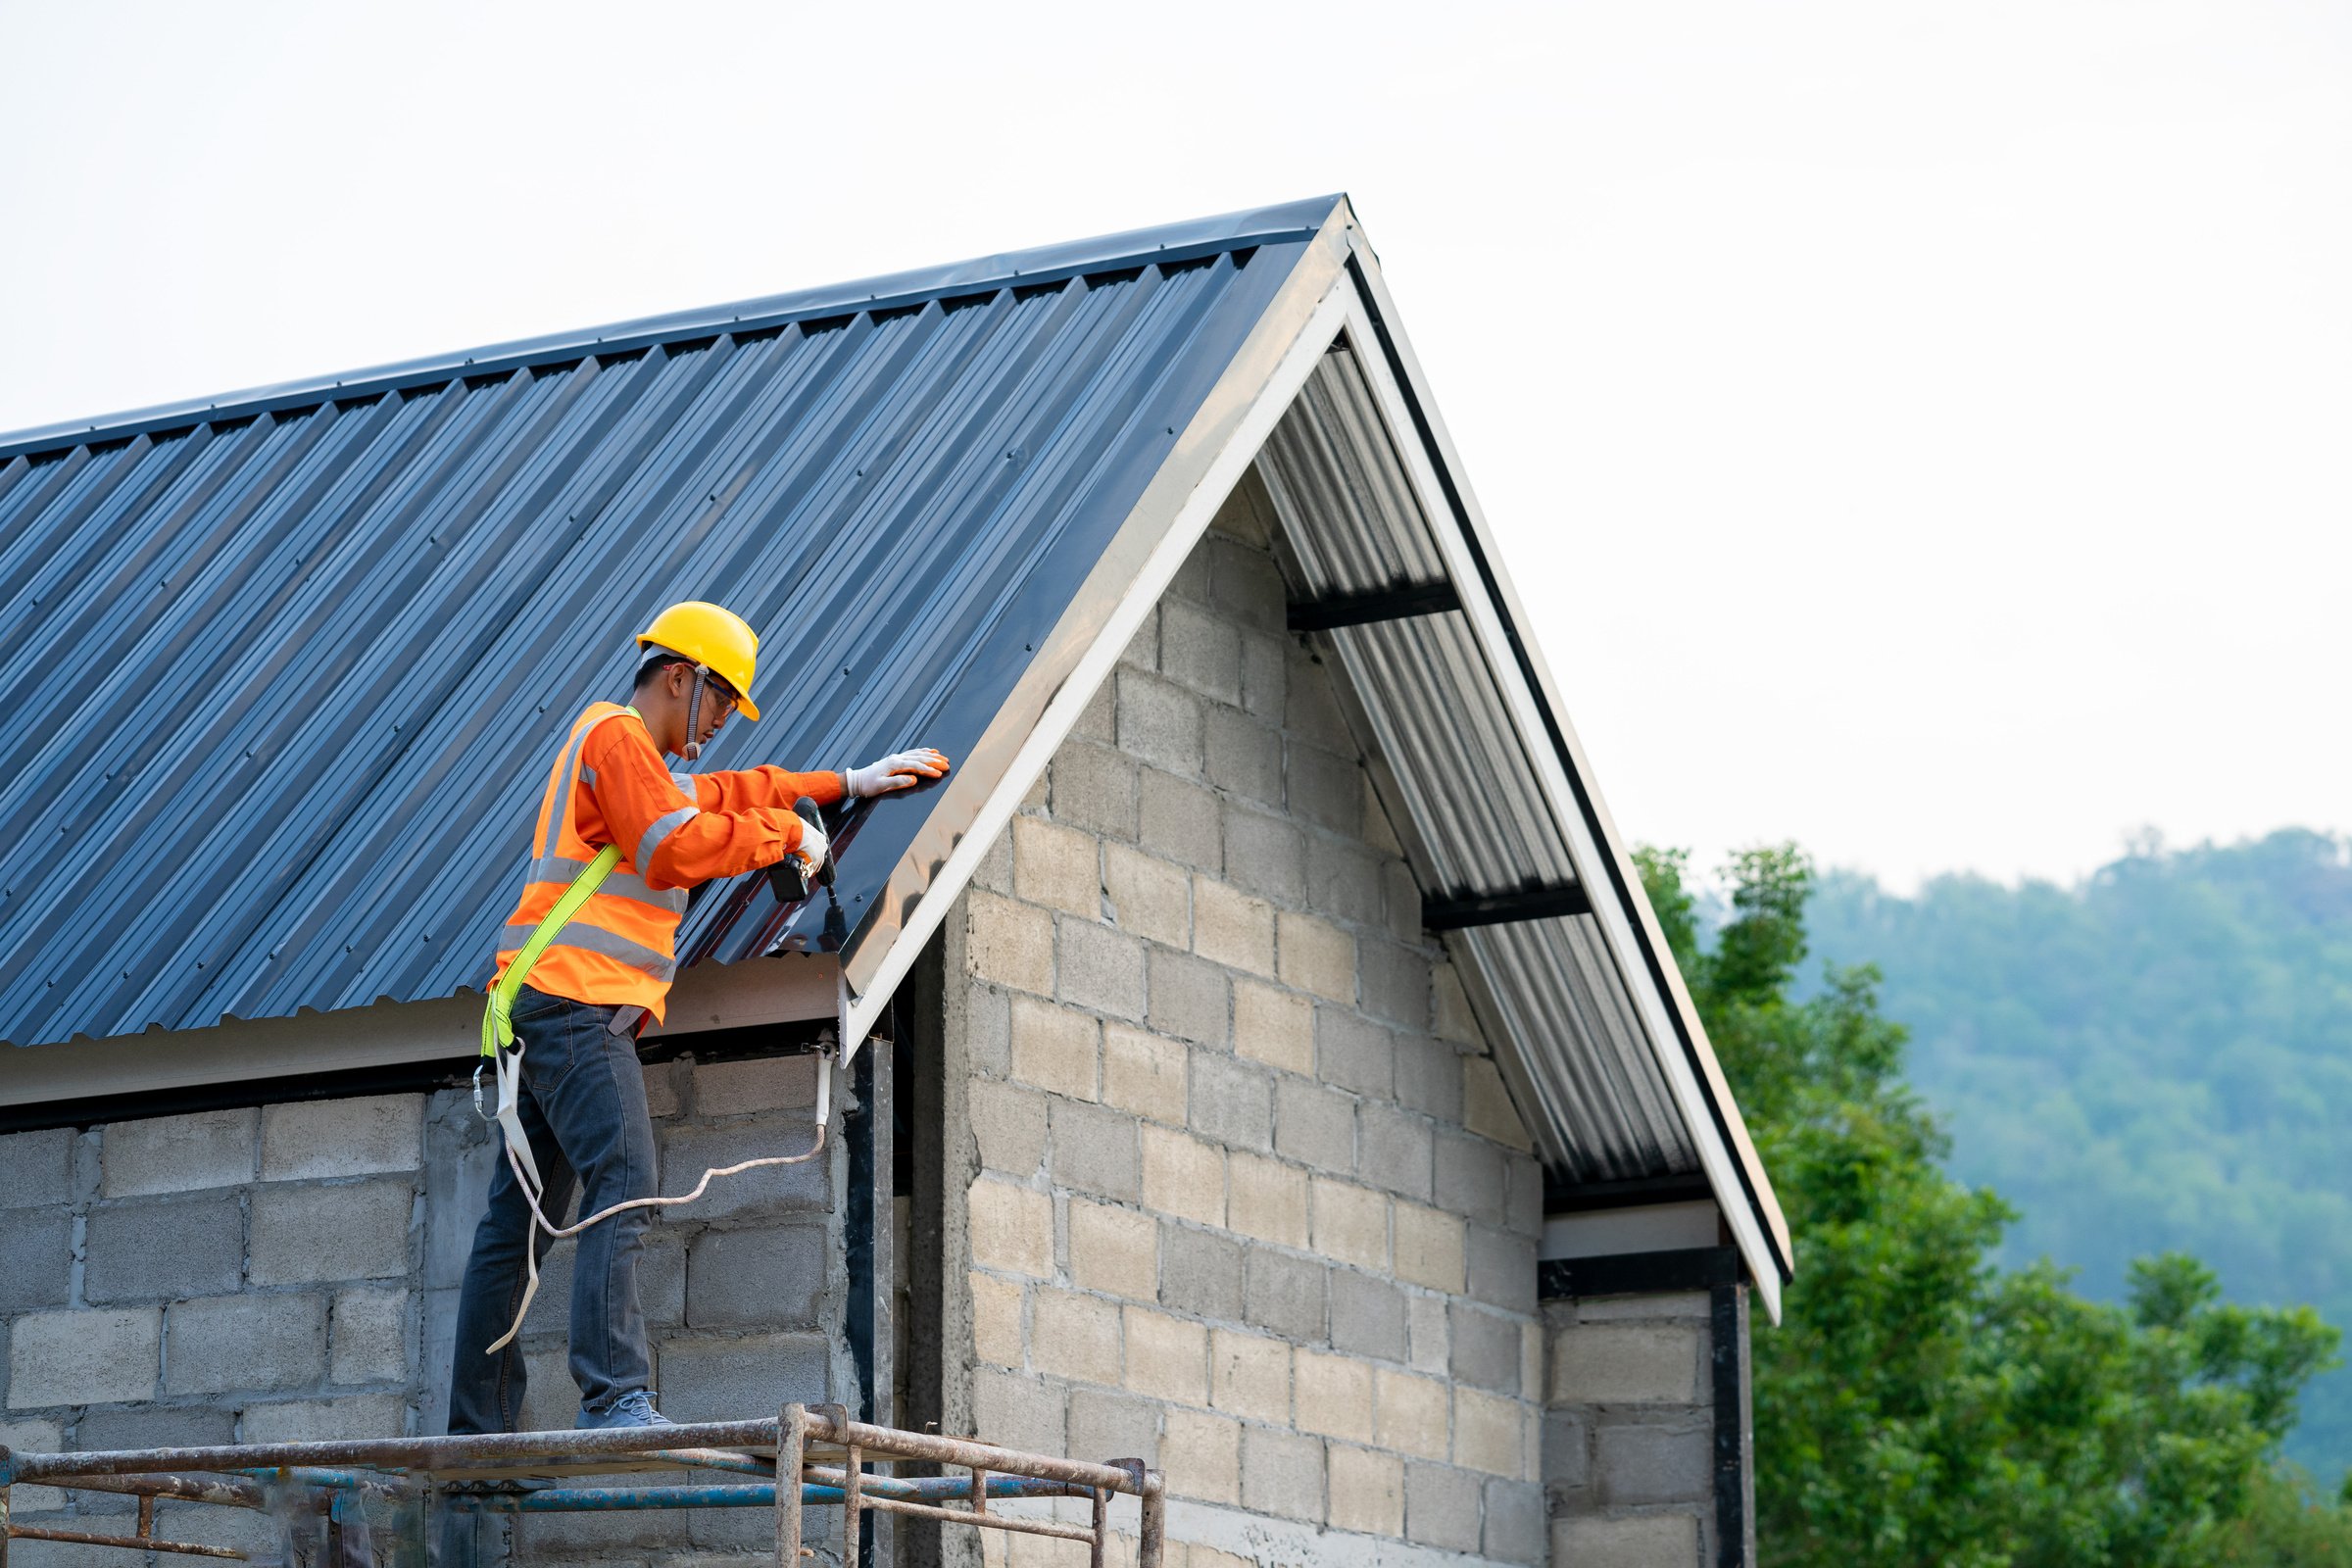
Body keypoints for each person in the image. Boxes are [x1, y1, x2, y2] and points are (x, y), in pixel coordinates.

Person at [446, 601, 949, 1433]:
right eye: (721, 702)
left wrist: (846, 785)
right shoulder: (613, 738)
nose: (720, 722)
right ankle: (614, 1399)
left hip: (544, 1007)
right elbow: (673, 846)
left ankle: (475, 1432)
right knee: (625, 1181)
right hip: (577, 1006)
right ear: (680, 676)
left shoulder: (636, 762)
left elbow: (735, 790)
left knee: (515, 1224)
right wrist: (784, 837)